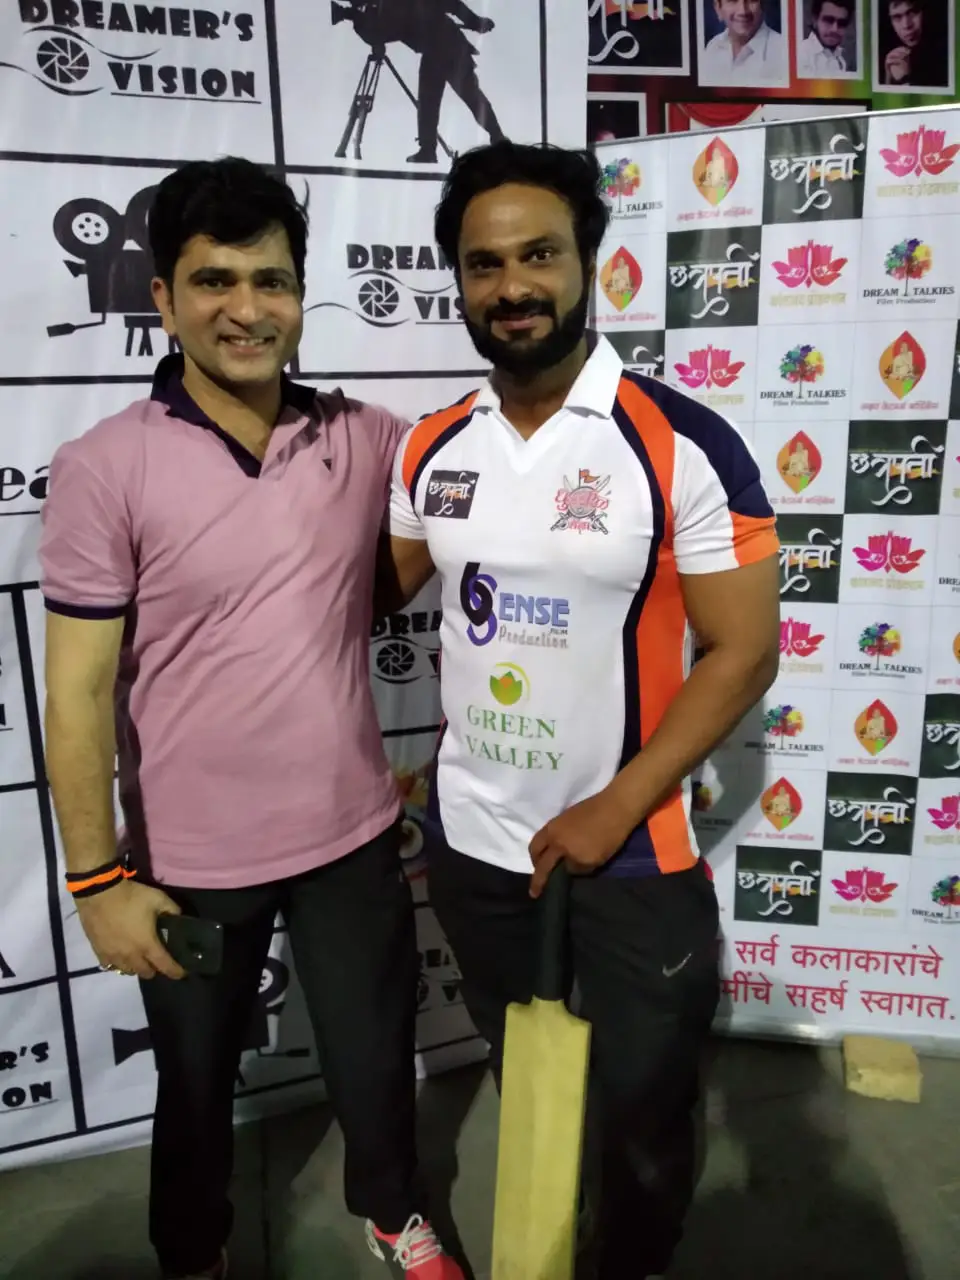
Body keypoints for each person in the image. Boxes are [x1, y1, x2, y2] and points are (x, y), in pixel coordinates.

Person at [39, 157, 463, 1280]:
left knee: (375, 1058)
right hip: (190, 858)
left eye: (271, 280)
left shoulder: (365, 436)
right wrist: (96, 878)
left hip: (352, 833)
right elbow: (74, 693)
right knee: (193, 1085)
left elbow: (473, 495)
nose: (246, 308)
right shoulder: (103, 466)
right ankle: (192, 1251)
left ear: (300, 294)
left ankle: (393, 1210)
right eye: (213, 280)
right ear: (163, 297)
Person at [380, 141, 782, 1279]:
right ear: (459, 282)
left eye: (539, 255)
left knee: (643, 1121)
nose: (513, 286)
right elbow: (360, 597)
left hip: (632, 852)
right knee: (536, 1082)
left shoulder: (682, 442)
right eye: (484, 264)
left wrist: (618, 805)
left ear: (588, 261)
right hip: (475, 845)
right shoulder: (432, 445)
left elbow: (746, 651)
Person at [700, 0, 786, 84]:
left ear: (763, 5)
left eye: (751, 1)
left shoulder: (783, 52)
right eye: (733, 1)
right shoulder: (713, 47)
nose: (743, 11)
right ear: (718, 8)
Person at [882, 0, 949, 87]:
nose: (906, 25)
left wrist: (905, 81)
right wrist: (888, 83)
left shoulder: (946, 50)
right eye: (897, 17)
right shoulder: (886, 55)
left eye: (912, 12)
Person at [797, 0, 854, 76]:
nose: (834, 29)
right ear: (815, 20)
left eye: (842, 23)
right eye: (828, 20)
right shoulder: (800, 54)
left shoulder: (841, 59)